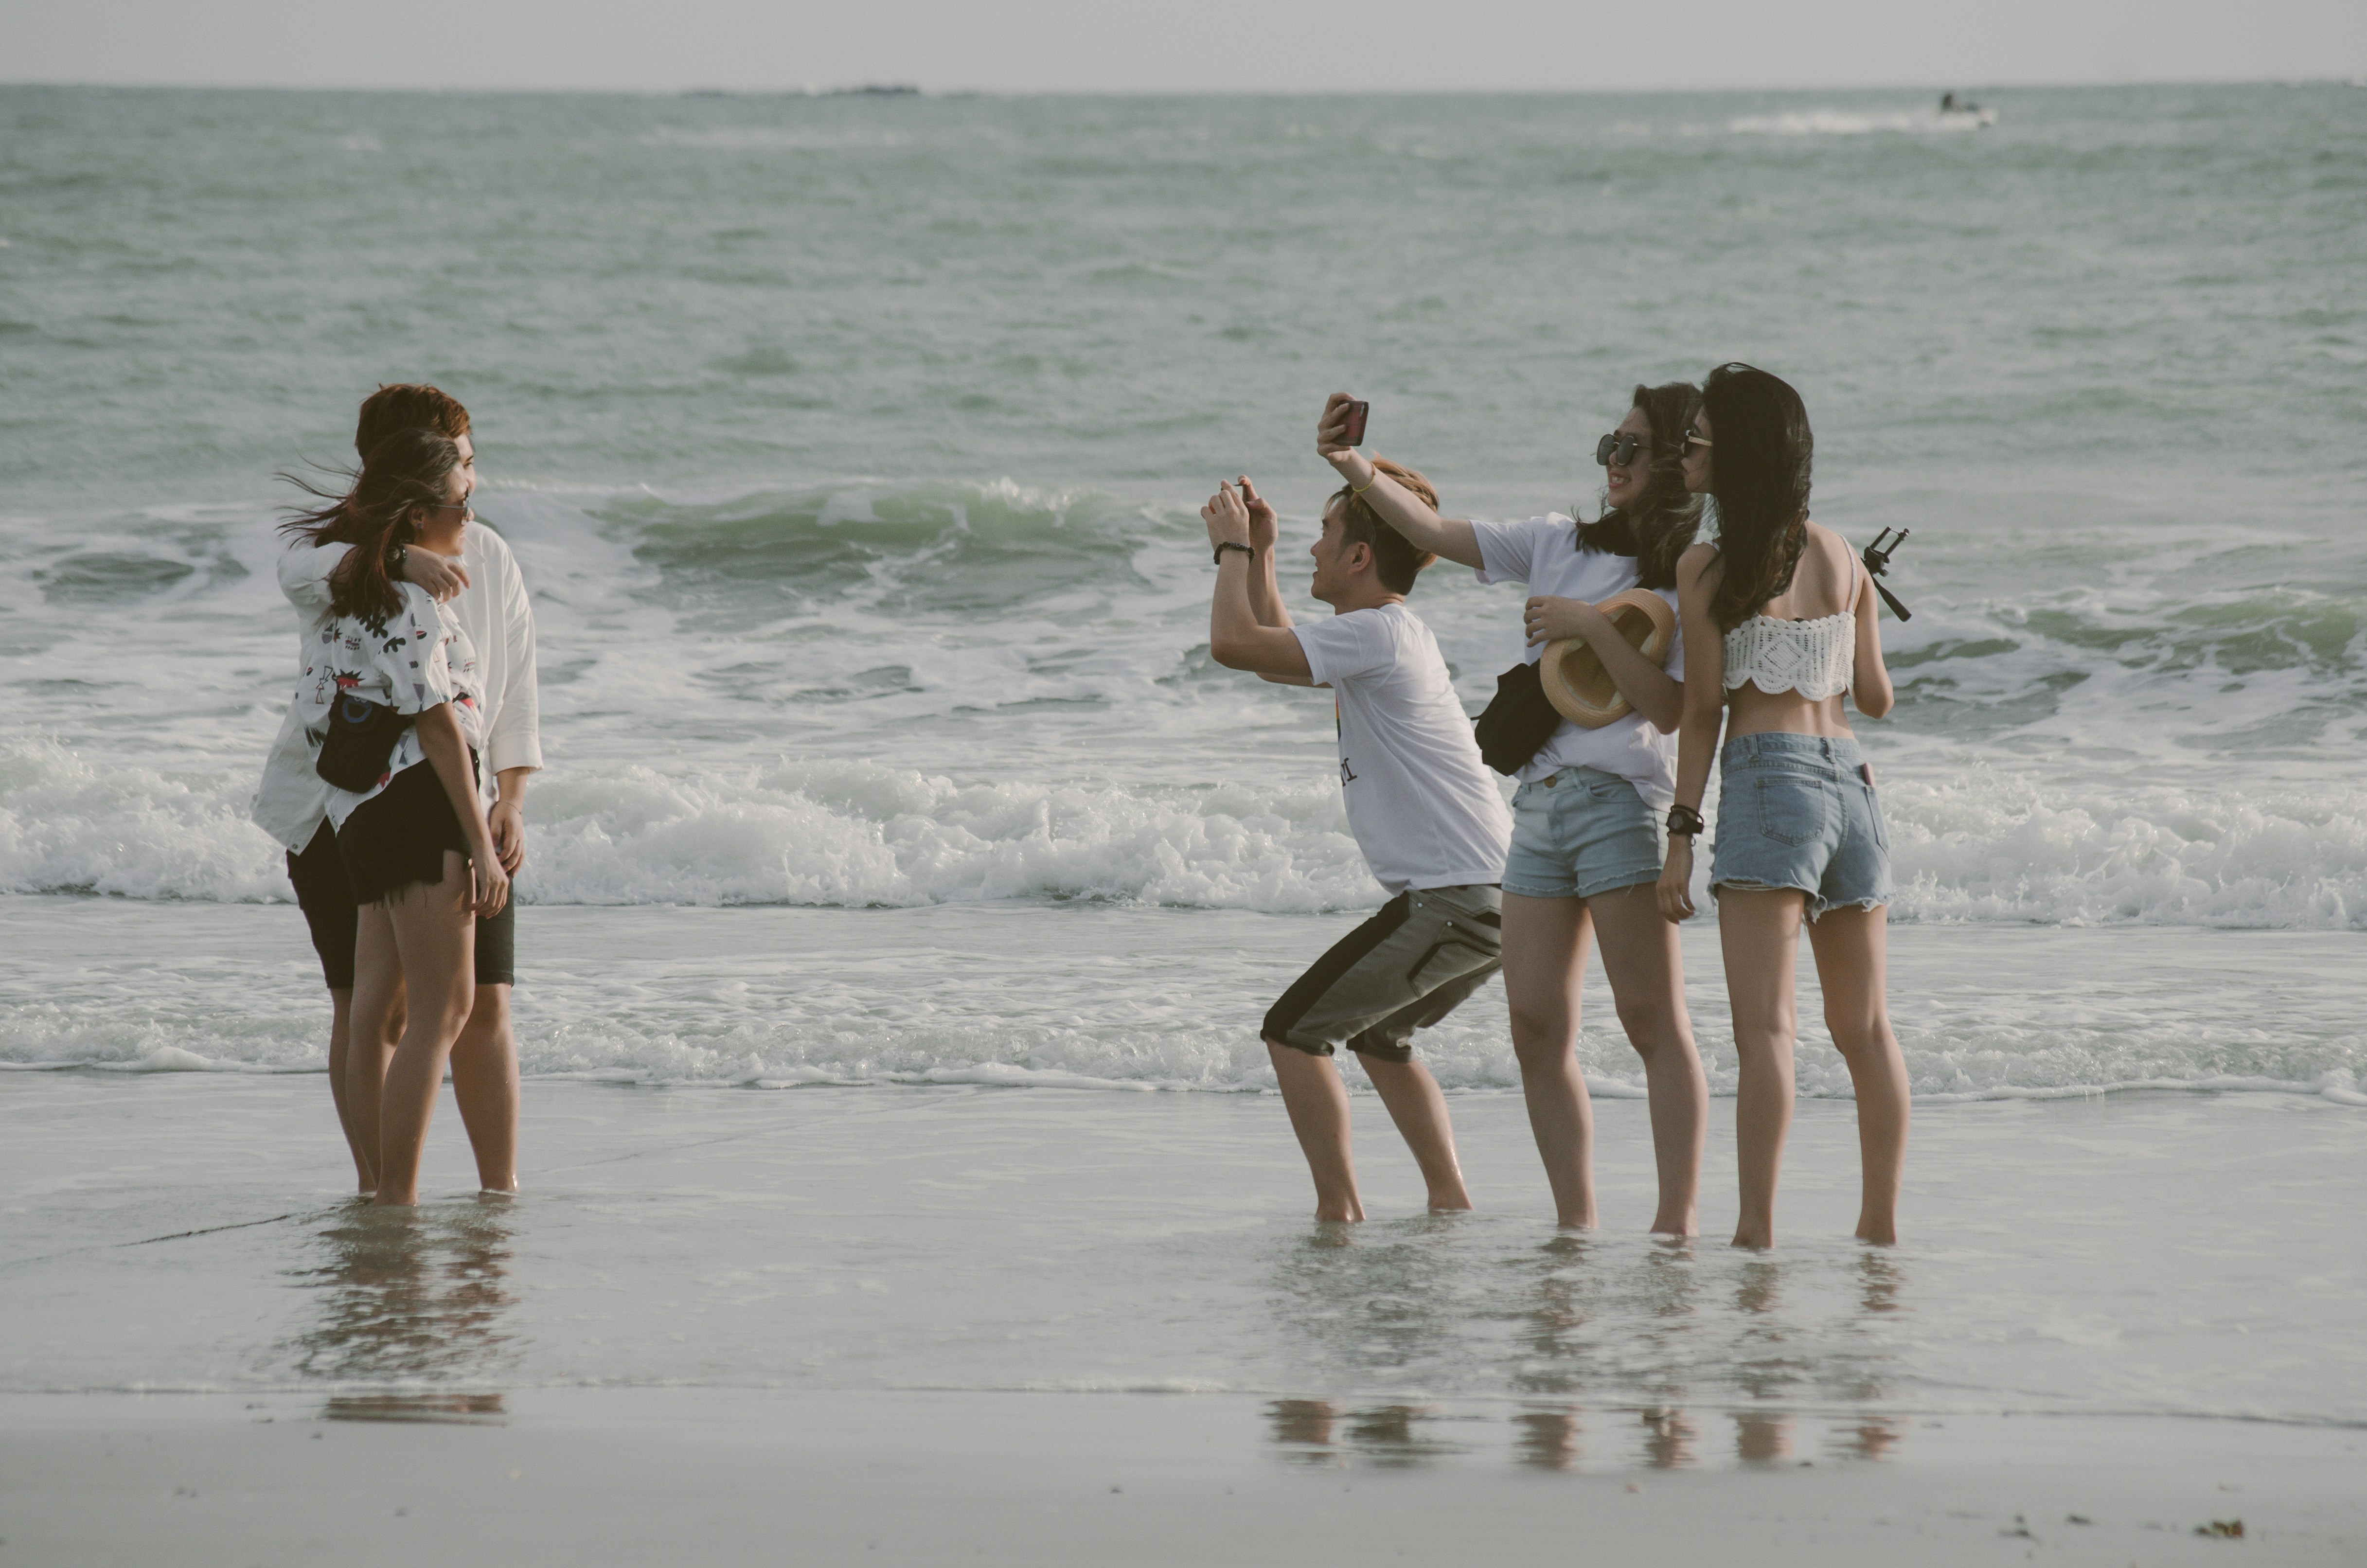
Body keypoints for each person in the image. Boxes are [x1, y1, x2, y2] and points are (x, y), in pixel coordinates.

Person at [1317, 390, 1712, 1234]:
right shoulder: (1556, 542)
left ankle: (1674, 1223)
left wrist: (1590, 627)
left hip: (1618, 805)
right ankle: (1576, 1225)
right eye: (1610, 440)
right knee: (1535, 1027)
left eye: (1634, 447)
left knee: (1651, 1023)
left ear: (1681, 464)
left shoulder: (1684, 575)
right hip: (1536, 809)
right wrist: (1353, 467)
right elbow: (1431, 534)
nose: (1614, 457)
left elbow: (1673, 710)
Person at [1200, 463, 1513, 1223]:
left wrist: (1231, 552)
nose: (1315, 549)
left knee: (1293, 1032)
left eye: (1324, 535)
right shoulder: (1380, 635)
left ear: (1360, 558)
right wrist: (1266, 552)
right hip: (1481, 895)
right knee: (1380, 1038)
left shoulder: (1381, 635)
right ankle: (1450, 1204)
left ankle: (1337, 1214)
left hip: (1456, 896)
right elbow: (1279, 647)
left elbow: (1234, 644)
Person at [255, 384, 540, 1197]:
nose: (472, 482)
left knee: (483, 1007)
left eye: (469, 458)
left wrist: (510, 802)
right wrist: (394, 556)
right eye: (456, 466)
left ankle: (496, 1193)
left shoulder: (487, 554)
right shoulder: (334, 557)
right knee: (370, 1011)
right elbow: (299, 570)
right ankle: (381, 1192)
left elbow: (517, 690)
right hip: (339, 808)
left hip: (465, 797)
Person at [1654, 363, 1909, 1249]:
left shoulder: (1707, 567)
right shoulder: (1841, 556)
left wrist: (1679, 839)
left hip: (1770, 784)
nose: (1684, 451)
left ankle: (1755, 1235)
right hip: (1854, 787)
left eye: (1697, 440)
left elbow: (1699, 712)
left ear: (1737, 454)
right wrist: (1857, 605)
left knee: (1767, 1032)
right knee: (1866, 1029)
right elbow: (1875, 696)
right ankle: (1878, 1232)